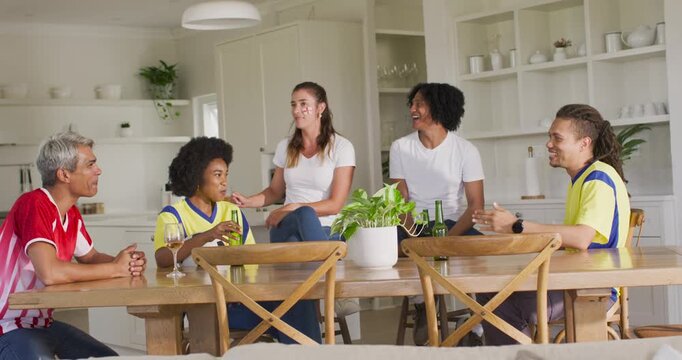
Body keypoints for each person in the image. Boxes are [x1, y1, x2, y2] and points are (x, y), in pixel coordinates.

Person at [472, 104, 631, 345]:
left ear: (584, 143)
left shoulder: (598, 179)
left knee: (496, 299)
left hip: (592, 291)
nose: (549, 144)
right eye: (549, 137)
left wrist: (517, 225)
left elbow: (580, 238)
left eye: (557, 137)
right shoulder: (582, 178)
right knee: (490, 292)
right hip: (576, 282)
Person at [153, 137, 318, 344]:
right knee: (290, 314)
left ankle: (311, 355)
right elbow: (163, 259)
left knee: (298, 299)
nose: (224, 182)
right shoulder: (172, 215)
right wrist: (206, 236)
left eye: (226, 175)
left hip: (241, 300)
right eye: (217, 175)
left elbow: (251, 260)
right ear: (197, 177)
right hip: (206, 308)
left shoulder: (231, 210)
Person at [0, 131, 147, 359]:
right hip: (9, 326)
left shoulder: (71, 213)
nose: (98, 170)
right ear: (64, 174)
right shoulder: (34, 203)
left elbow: (90, 257)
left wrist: (126, 263)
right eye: (90, 165)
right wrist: (115, 268)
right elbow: (49, 273)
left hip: (41, 325)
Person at [389, 82, 485, 345]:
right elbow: (398, 203)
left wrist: (446, 240)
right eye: (412, 103)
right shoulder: (400, 147)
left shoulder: (466, 150)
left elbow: (476, 206)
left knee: (489, 255)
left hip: (453, 225)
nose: (412, 109)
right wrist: (418, 238)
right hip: (414, 226)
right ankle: (423, 304)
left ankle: (476, 325)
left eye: (419, 103)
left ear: (440, 108)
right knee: (399, 248)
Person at [231, 81, 355, 243]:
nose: (296, 111)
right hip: (288, 225)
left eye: (303, 104)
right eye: (293, 104)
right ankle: (327, 259)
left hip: (326, 229)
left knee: (303, 219)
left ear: (320, 108)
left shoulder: (342, 147)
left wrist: (291, 208)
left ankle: (321, 257)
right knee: (300, 226)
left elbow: (335, 205)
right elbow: (275, 191)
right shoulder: (285, 147)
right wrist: (249, 201)